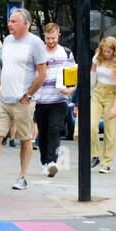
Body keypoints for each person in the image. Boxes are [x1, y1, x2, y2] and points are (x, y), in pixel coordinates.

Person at [0, 8, 47, 190]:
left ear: (26, 24)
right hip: (4, 98)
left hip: (23, 100)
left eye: (13, 21)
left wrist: (28, 95)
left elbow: (42, 73)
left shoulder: (35, 43)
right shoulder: (7, 40)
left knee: (25, 139)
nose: (9, 24)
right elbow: (5, 68)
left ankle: (22, 176)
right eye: (9, 21)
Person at [32, 22, 73, 178]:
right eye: (48, 38)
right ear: (44, 36)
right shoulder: (38, 52)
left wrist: (69, 89)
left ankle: (52, 162)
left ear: (59, 35)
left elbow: (72, 76)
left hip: (59, 100)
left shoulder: (66, 53)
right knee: (42, 133)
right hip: (41, 100)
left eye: (53, 38)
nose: (50, 41)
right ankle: (45, 163)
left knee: (54, 130)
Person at [89, 36, 116, 173]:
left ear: (114, 51)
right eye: (104, 51)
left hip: (112, 94)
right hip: (98, 91)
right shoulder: (97, 57)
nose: (106, 54)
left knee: (110, 131)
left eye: (109, 52)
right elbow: (92, 75)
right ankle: (95, 154)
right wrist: (90, 92)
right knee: (91, 125)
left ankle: (106, 162)